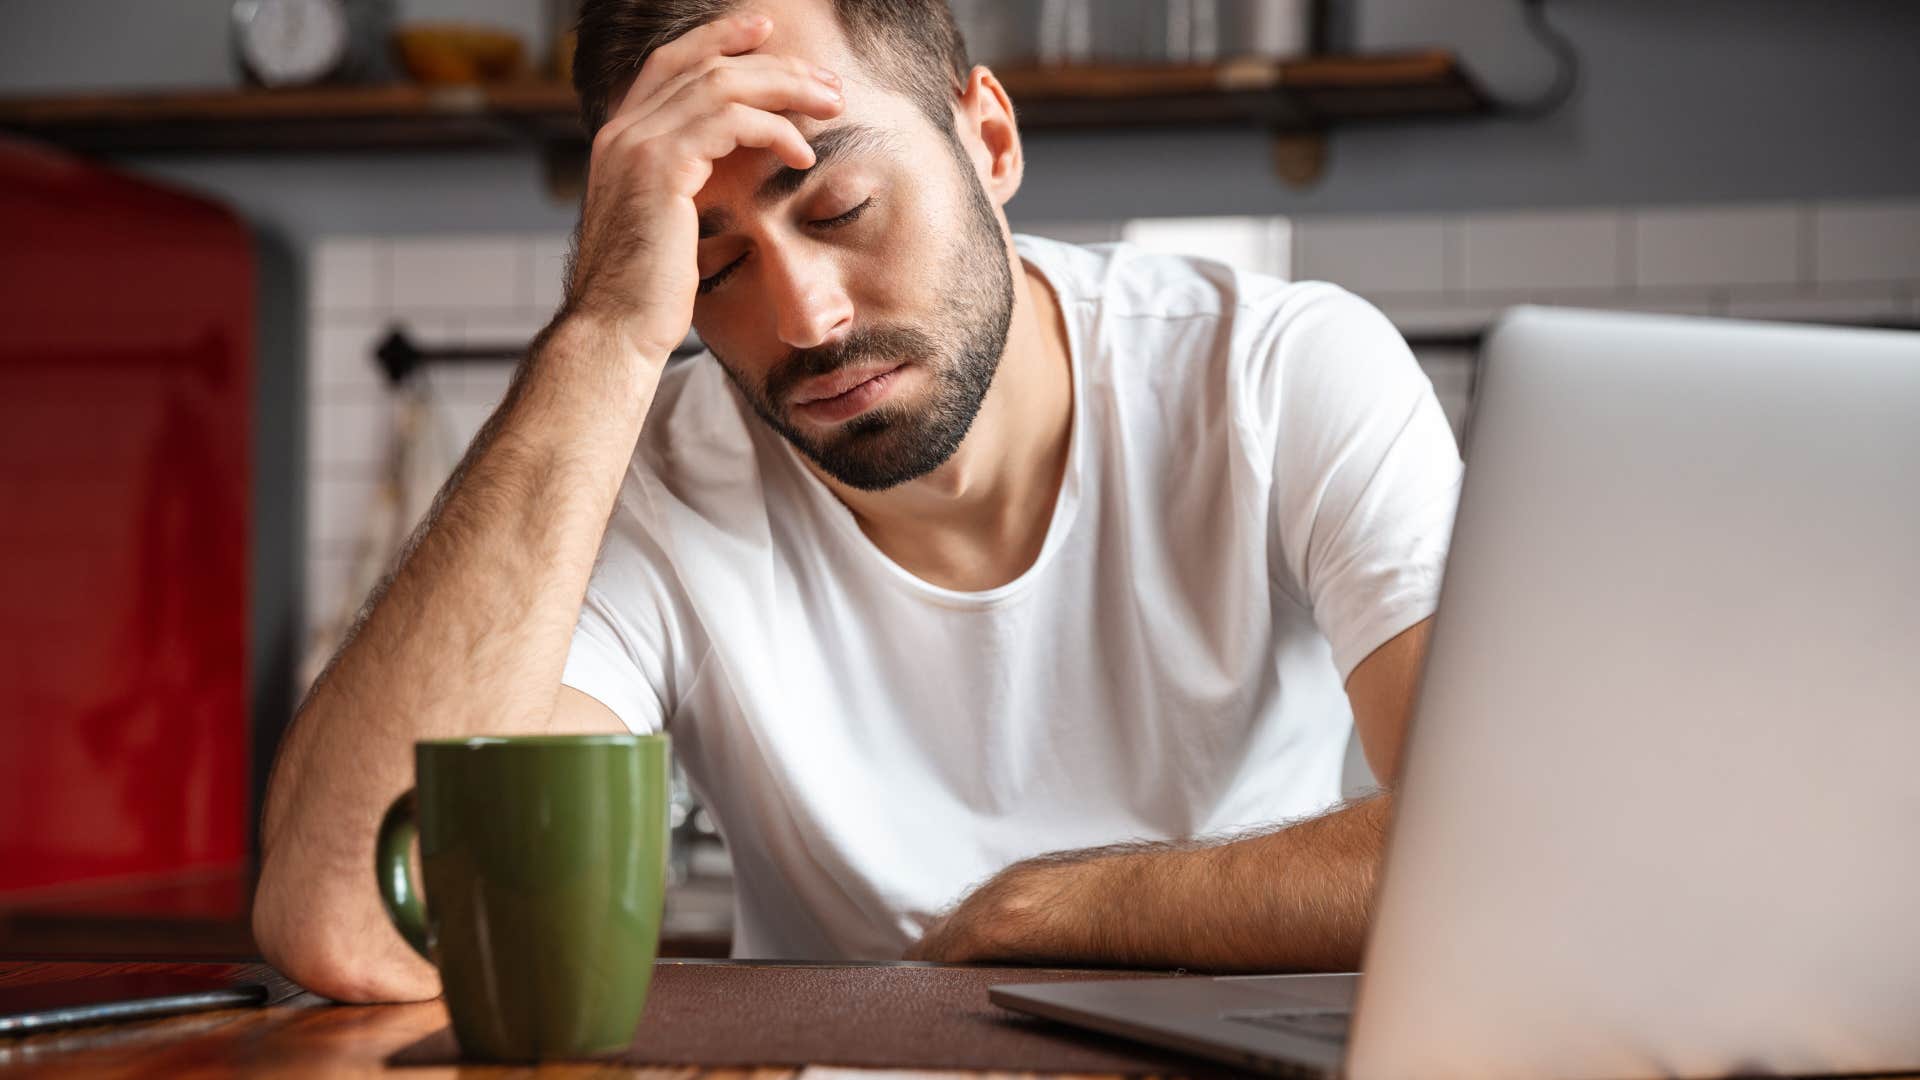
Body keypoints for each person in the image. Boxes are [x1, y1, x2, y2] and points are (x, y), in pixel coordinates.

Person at [253, 0, 1462, 1003]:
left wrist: (1062, 908)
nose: (807, 321)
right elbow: (352, 922)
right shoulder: (646, 474)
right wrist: (607, 331)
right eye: (713, 266)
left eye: (841, 210)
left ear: (988, 143)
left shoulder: (1279, 372)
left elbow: (1504, 840)